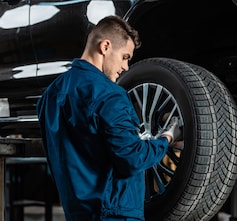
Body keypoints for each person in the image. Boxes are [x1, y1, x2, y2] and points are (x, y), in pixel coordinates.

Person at [36, 15, 180, 221]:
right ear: (105, 46)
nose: (126, 68)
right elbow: (132, 158)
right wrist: (167, 138)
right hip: (114, 214)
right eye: (125, 57)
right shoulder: (110, 95)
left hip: (77, 213)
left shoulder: (49, 96)